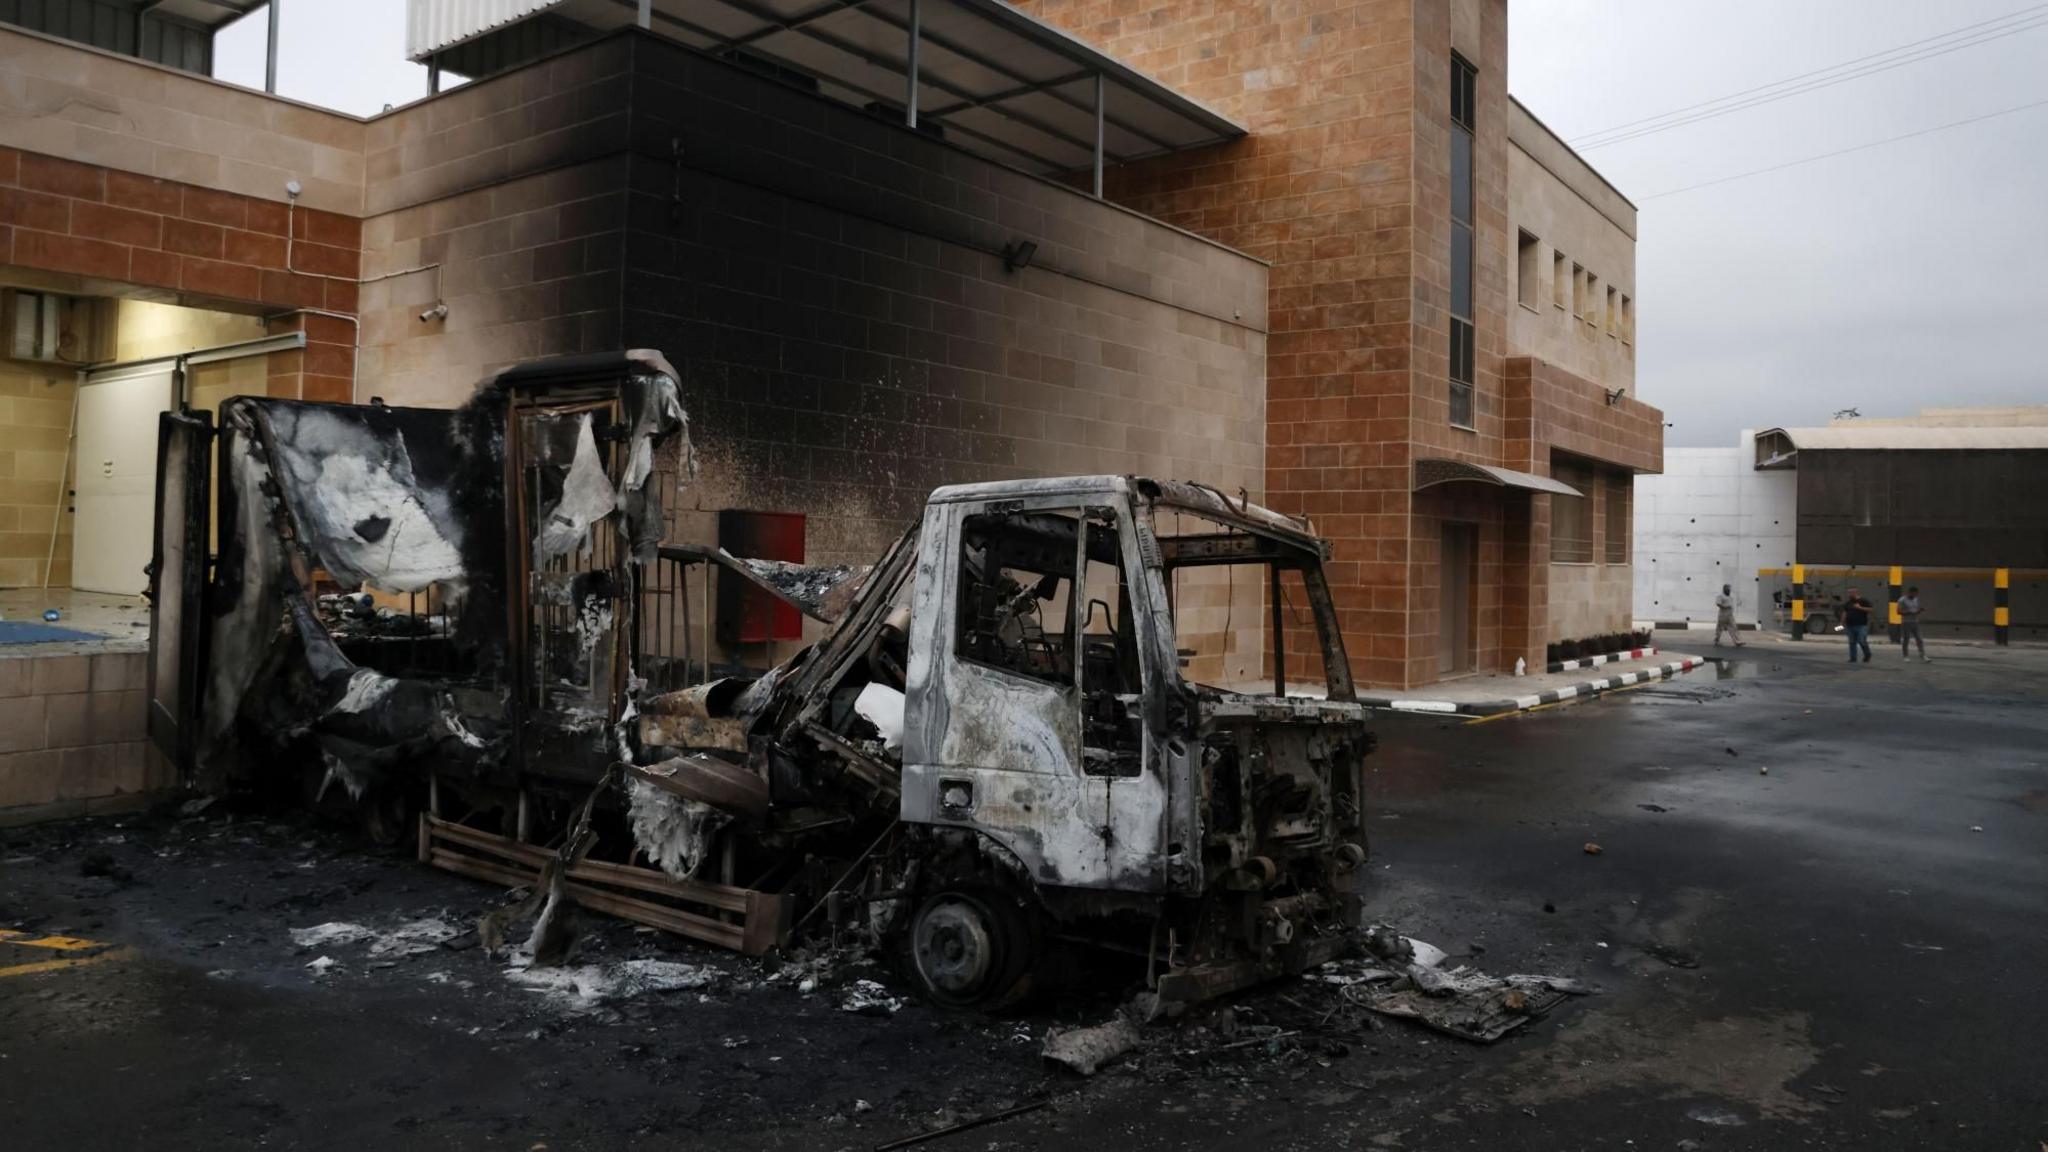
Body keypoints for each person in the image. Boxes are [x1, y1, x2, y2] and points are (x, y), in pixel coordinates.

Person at [1898, 585, 1930, 662]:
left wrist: (1919, 611)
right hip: (1906, 622)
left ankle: (1923, 655)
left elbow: (1916, 610)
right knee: (1906, 639)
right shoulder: (1902, 600)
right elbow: (1898, 611)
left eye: (1916, 594)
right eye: (1914, 594)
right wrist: (1909, 612)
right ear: (1909, 592)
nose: (1915, 595)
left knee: (1919, 639)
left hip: (1915, 622)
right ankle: (1905, 656)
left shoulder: (1916, 599)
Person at [1842, 587, 1873, 663]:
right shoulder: (1848, 603)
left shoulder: (1863, 601)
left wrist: (1860, 607)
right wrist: (1842, 622)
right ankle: (1853, 658)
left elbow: (1871, 609)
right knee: (1852, 642)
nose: (1849, 594)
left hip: (1861, 625)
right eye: (1848, 592)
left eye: (1850, 592)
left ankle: (1867, 654)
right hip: (1850, 625)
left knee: (1861, 640)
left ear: (1855, 592)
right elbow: (1845, 612)